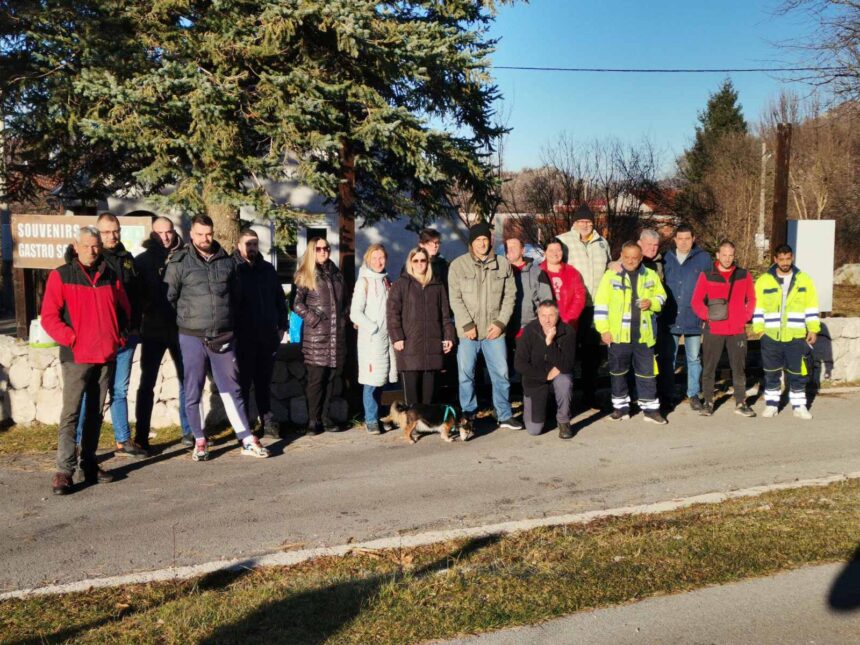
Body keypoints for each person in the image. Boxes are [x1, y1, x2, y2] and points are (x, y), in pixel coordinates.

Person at [164, 214, 269, 461]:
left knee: (232, 389)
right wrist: (182, 324)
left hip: (223, 335)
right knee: (193, 389)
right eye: (200, 234)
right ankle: (199, 440)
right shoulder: (179, 262)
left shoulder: (227, 262)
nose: (204, 239)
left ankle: (245, 438)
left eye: (208, 234)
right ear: (191, 234)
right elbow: (168, 298)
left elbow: (237, 297)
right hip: (191, 335)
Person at [41, 226, 130, 495]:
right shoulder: (61, 275)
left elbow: (123, 309)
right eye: (87, 245)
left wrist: (119, 338)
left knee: (95, 413)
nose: (92, 251)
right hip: (76, 356)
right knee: (71, 414)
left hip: (105, 355)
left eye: (96, 246)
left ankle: (88, 463)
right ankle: (64, 471)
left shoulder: (110, 275)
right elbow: (49, 317)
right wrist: (71, 338)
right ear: (75, 246)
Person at [75, 213, 145, 458]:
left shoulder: (127, 259)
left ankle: (122, 438)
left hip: (125, 336)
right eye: (105, 232)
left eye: (115, 231)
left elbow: (135, 296)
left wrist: (134, 326)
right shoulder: (92, 261)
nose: (111, 236)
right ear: (97, 233)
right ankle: (79, 442)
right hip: (99, 337)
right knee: (89, 389)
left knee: (120, 389)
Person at [448, 222, 523, 430]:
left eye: (485, 239)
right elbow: (455, 298)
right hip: (468, 332)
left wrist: (500, 323)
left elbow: (510, 297)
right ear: (471, 243)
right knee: (466, 375)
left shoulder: (503, 264)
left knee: (501, 374)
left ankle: (503, 413)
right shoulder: (458, 265)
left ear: (490, 241)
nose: (482, 243)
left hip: (494, 331)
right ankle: (469, 415)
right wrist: (466, 323)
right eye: (478, 240)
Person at [134, 216, 194, 451]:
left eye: (168, 232)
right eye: (160, 233)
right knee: (146, 382)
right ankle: (141, 435)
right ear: (152, 233)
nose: (165, 237)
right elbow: (135, 296)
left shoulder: (187, 257)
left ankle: (189, 432)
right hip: (153, 328)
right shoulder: (143, 261)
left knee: (186, 381)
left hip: (181, 328)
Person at [594, 241, 668, 424]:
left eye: (635, 257)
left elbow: (662, 296)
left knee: (647, 373)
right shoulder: (610, 276)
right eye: (627, 257)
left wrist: (652, 302)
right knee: (618, 373)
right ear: (621, 255)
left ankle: (651, 410)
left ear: (641, 257)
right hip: (618, 335)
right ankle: (621, 408)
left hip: (644, 334)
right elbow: (601, 304)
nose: (631, 261)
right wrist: (603, 330)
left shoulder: (651, 275)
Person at [752, 244, 820, 419]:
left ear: (793, 258)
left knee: (798, 373)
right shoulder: (764, 281)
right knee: (771, 373)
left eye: (788, 259)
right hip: (771, 335)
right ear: (775, 259)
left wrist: (813, 328)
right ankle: (772, 404)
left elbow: (811, 306)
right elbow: (758, 308)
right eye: (781, 259)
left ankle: (799, 406)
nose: (784, 263)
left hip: (796, 335)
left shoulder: (804, 280)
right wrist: (760, 331)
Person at [233, 228, 289, 437]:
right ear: (239, 245)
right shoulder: (234, 269)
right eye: (248, 244)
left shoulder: (267, 269)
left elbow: (279, 299)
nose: (252, 247)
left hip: (267, 337)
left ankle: (267, 420)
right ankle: (243, 426)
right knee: (243, 384)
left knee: (264, 382)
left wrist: (282, 326)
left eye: (255, 243)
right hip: (243, 338)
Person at [691, 240, 756, 417]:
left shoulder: (744, 275)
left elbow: (751, 299)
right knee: (709, 367)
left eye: (731, 255)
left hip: (737, 329)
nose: (727, 258)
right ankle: (708, 402)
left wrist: (745, 316)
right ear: (718, 255)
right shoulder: (707, 275)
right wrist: (708, 317)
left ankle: (741, 402)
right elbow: (696, 301)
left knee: (739, 367)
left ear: (734, 256)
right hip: (714, 329)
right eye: (724, 254)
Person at [556, 203, 612, 409]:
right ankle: (566, 400)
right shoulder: (563, 241)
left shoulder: (602, 243)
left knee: (591, 356)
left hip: (595, 307)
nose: (585, 225)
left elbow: (608, 268)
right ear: (574, 222)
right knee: (568, 353)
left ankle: (590, 397)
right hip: (571, 308)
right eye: (580, 221)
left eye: (588, 221)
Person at [292, 236, 348, 435]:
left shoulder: (336, 274)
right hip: (316, 338)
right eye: (319, 248)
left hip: (336, 336)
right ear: (312, 251)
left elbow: (344, 302)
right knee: (316, 381)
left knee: (331, 379)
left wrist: (343, 318)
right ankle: (313, 421)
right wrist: (314, 319)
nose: (323, 251)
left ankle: (325, 417)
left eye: (326, 248)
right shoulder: (305, 274)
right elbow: (297, 304)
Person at [387, 246, 455, 406]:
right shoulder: (401, 285)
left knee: (429, 395)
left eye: (423, 260)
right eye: (415, 260)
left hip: (432, 345)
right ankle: (413, 426)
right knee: (412, 396)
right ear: (410, 262)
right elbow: (392, 314)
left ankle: (426, 424)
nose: (419, 264)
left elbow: (445, 315)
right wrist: (397, 337)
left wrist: (449, 336)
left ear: (428, 262)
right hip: (409, 345)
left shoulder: (437, 286)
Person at [661, 224, 712, 411]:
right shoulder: (666, 258)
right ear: (674, 239)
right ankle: (668, 393)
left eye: (687, 238)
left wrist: (707, 312)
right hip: (671, 317)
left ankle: (693, 394)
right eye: (680, 239)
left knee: (694, 358)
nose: (683, 242)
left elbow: (710, 287)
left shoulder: (703, 258)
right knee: (668, 359)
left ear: (694, 238)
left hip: (694, 316)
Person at [350, 243, 398, 434]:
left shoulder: (386, 280)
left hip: (386, 340)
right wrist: (374, 328)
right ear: (368, 260)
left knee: (380, 380)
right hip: (372, 341)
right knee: (370, 382)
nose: (379, 262)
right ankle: (370, 419)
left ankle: (376, 416)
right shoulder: (364, 282)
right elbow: (355, 313)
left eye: (382, 258)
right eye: (375, 258)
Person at [515, 300, 577, 438]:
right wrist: (544, 376)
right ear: (538, 315)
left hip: (558, 375)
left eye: (551, 315)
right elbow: (519, 363)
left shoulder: (567, 332)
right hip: (535, 378)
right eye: (543, 315)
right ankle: (538, 407)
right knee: (534, 430)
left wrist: (550, 343)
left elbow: (567, 365)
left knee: (564, 381)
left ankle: (563, 421)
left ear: (558, 315)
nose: (547, 320)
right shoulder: (529, 331)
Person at [538, 238, 586, 327]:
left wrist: (568, 319)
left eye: (558, 250)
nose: (555, 254)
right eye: (551, 250)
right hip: (542, 325)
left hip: (568, 324)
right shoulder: (537, 272)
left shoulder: (572, 272)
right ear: (545, 252)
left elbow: (580, 298)